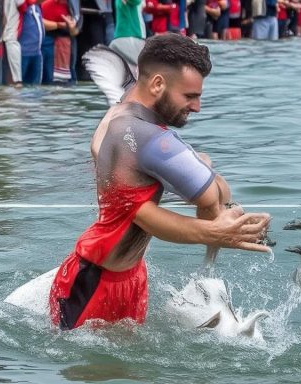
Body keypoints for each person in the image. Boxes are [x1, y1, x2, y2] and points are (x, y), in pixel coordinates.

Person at [49, 34, 272, 330]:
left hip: (132, 276)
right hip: (91, 284)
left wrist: (211, 197)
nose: (197, 107)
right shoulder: (141, 136)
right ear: (157, 84)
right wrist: (214, 231)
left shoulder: (129, 114)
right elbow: (147, 215)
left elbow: (208, 192)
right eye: (189, 96)